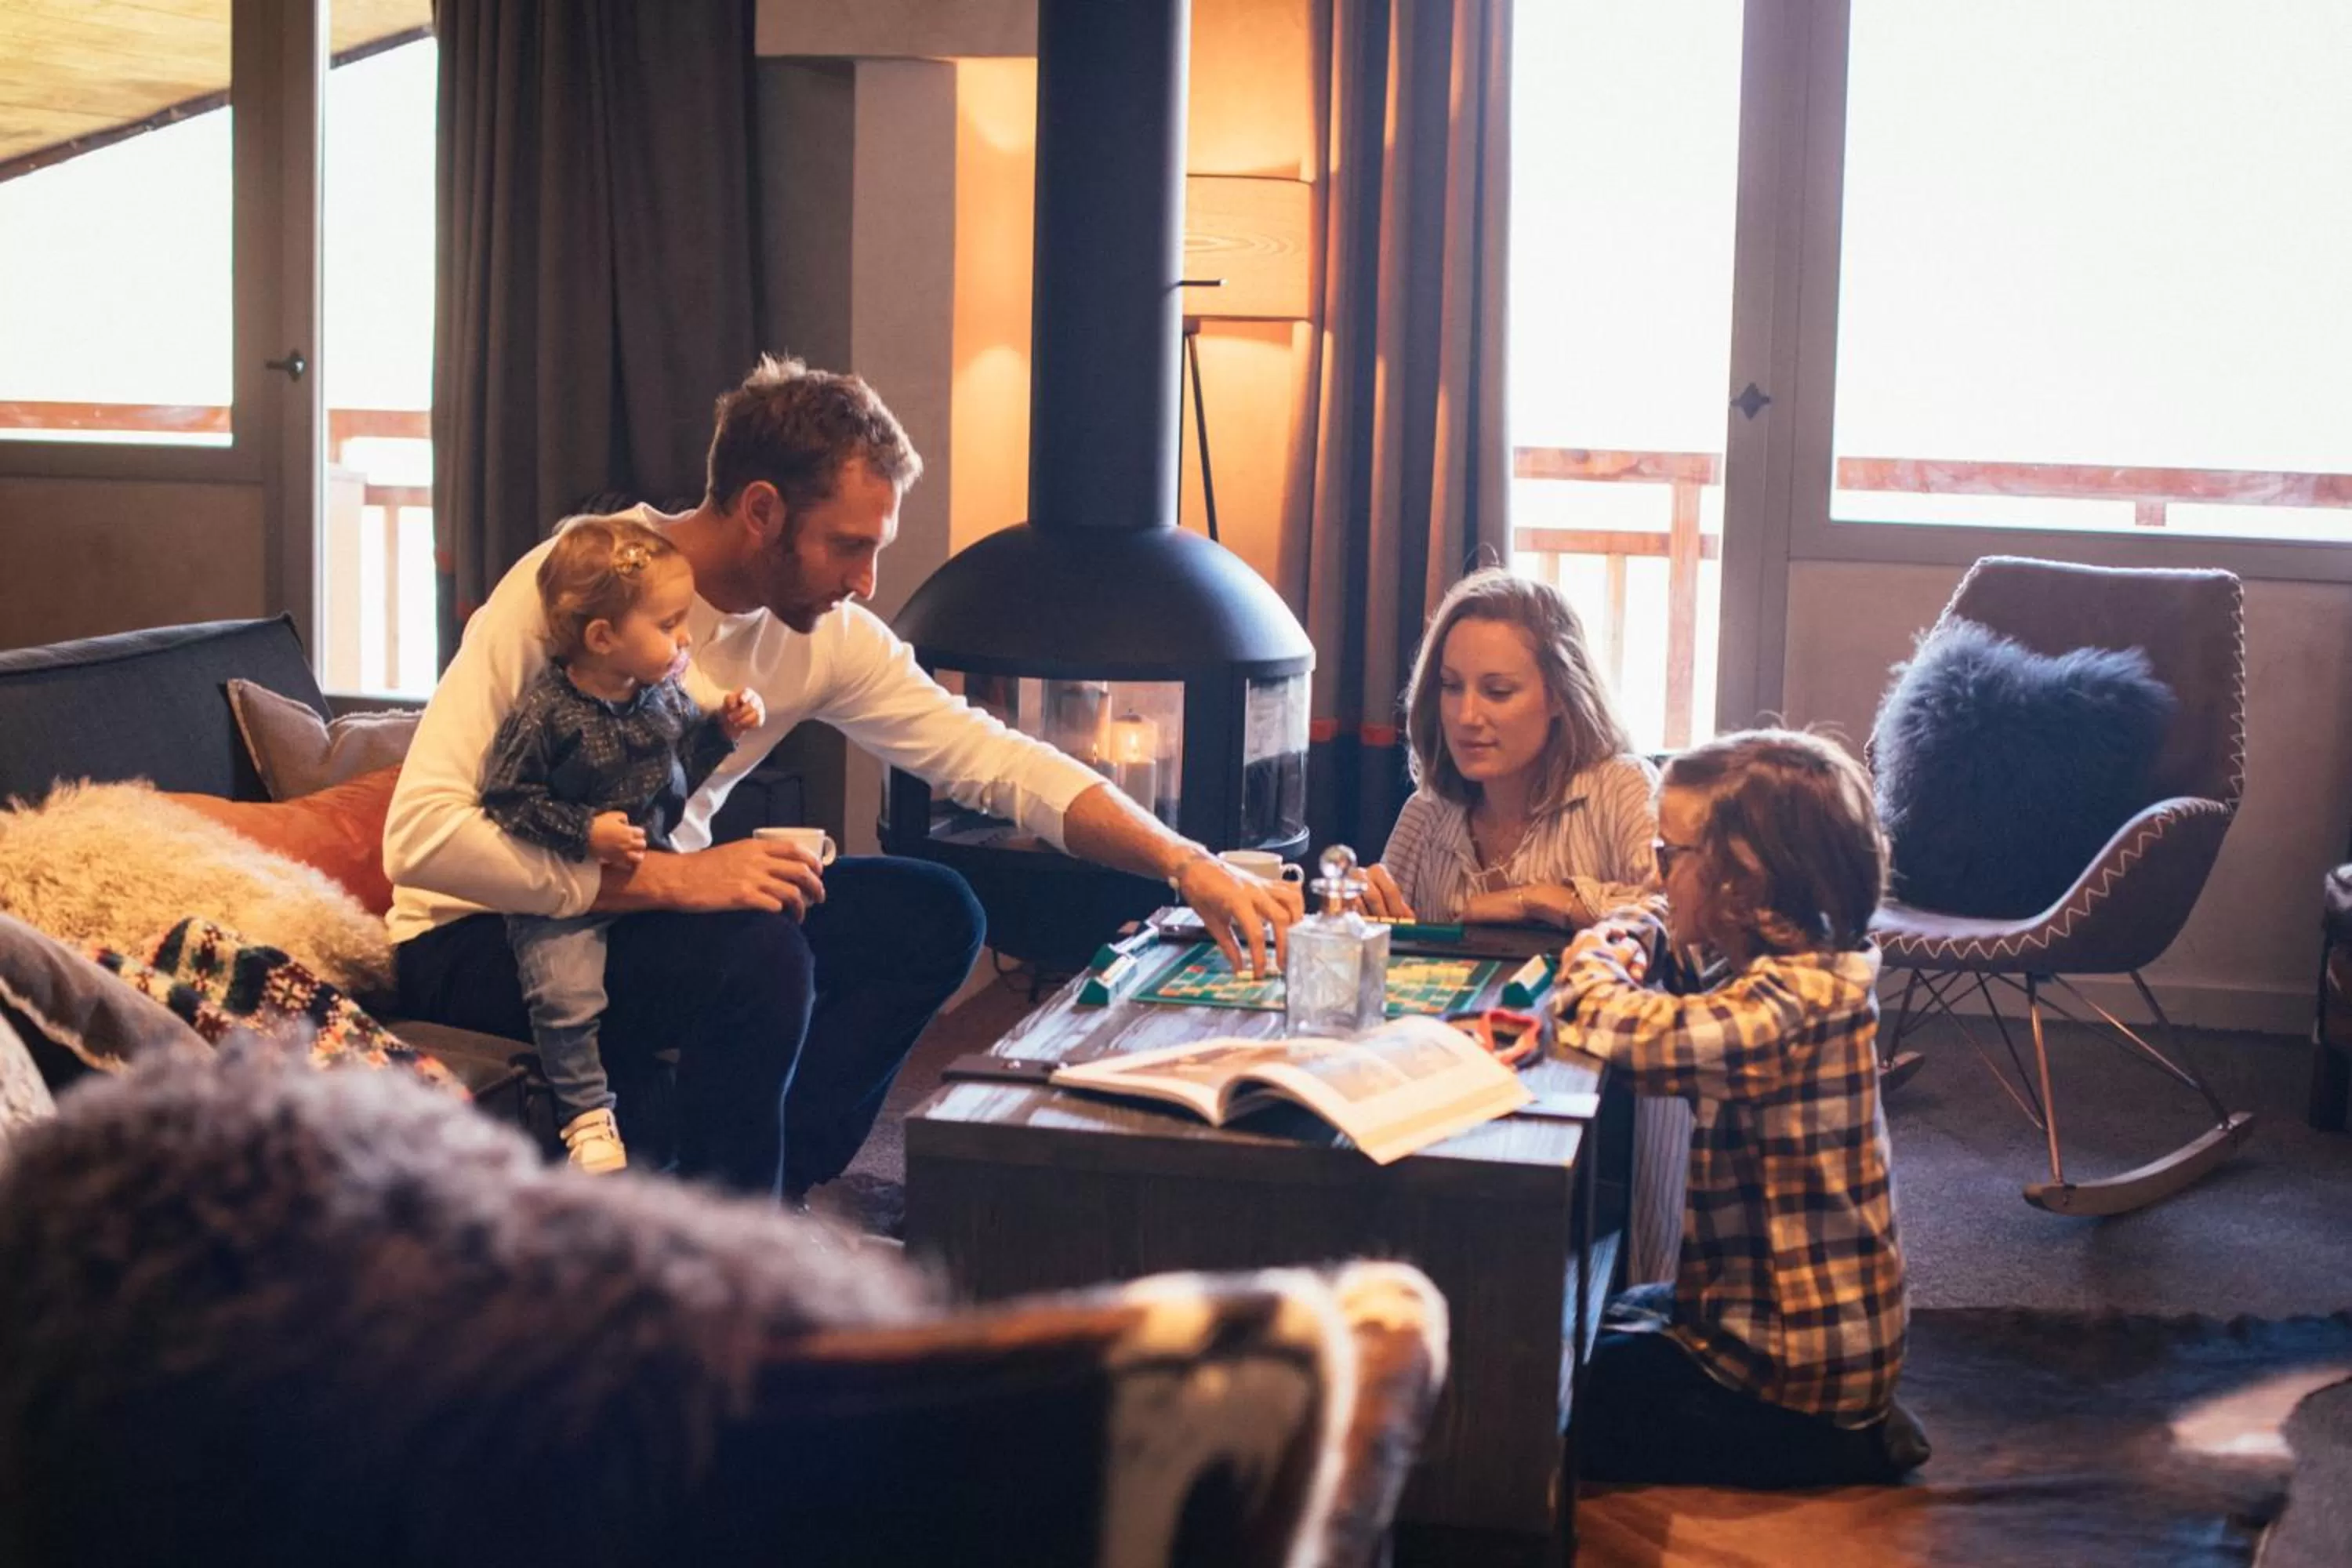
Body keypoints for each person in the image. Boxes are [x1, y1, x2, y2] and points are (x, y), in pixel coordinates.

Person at [387, 356, 1300, 1201]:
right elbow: (420, 838)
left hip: (640, 916)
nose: (866, 580)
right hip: (481, 937)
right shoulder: (573, 588)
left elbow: (997, 758)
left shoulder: (820, 633)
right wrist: (673, 878)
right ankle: (723, 1268)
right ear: (760, 510)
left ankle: (764, 1189)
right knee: (757, 946)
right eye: (848, 546)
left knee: (933, 910)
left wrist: (1187, 862)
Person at [1553, 730, 1927, 1487]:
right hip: (1764, 1320)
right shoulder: (1793, 964)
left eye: (1670, 856)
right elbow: (1675, 944)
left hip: (1790, 1385)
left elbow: (1618, 1032)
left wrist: (1595, 953)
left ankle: (1847, 1445)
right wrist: (1642, 926)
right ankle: (1862, 1427)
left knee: (1547, 1403)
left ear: (1741, 883)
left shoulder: (1788, 1007)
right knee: (1607, 1315)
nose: (1659, 874)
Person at [1355, 568, 1686, 1283]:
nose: (1468, 715)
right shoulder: (1427, 813)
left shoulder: (1619, 785)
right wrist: (1363, 920)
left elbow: (1674, 913)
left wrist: (1547, 900)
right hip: (1454, 1084)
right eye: (1451, 686)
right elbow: (1398, 960)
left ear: (1560, 698)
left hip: (1588, 1090)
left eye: (1498, 691)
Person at [479, 515, 764, 1174]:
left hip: (649, 875)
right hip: (567, 889)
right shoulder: (547, 713)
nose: (685, 638)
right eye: (667, 626)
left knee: (736, 956)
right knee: (566, 994)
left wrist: (723, 728)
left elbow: (682, 766)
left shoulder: (662, 693)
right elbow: (506, 798)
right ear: (603, 637)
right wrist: (585, 831)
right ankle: (585, 1115)